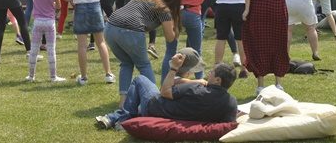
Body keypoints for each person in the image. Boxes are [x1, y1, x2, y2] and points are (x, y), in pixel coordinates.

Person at [95, 49, 237, 129]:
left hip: (155, 109)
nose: (208, 74)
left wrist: (174, 68)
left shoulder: (195, 88)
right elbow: (226, 125)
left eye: (212, 73)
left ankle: (122, 119)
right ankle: (112, 118)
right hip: (173, 114)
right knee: (137, 107)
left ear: (218, 80)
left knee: (140, 80)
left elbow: (165, 92)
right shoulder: (230, 102)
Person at [105, 0, 182, 106]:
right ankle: (154, 100)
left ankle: (123, 102)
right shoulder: (164, 9)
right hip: (131, 31)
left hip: (110, 28)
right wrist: (175, 21)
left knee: (126, 63)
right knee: (144, 65)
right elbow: (170, 37)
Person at [62, 0, 115, 86]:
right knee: (101, 42)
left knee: (82, 45)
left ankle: (84, 77)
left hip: (81, 8)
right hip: (95, 6)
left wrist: (73, 0)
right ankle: (108, 74)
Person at [26, 0, 65, 83]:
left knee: (34, 50)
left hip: (37, 21)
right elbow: (58, 6)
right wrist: (52, 4)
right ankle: (53, 77)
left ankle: (31, 76)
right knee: (51, 50)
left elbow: (35, 0)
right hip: (49, 22)